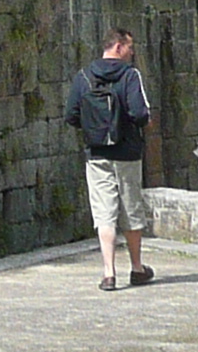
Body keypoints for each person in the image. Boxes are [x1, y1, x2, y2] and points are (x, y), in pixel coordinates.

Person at [65, 31, 155, 294]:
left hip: (96, 153)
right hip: (127, 152)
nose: (132, 53)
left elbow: (71, 115)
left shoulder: (84, 76)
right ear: (118, 47)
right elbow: (140, 113)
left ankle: (108, 273)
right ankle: (137, 268)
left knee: (104, 212)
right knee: (130, 208)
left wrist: (93, 127)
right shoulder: (129, 75)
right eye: (130, 47)